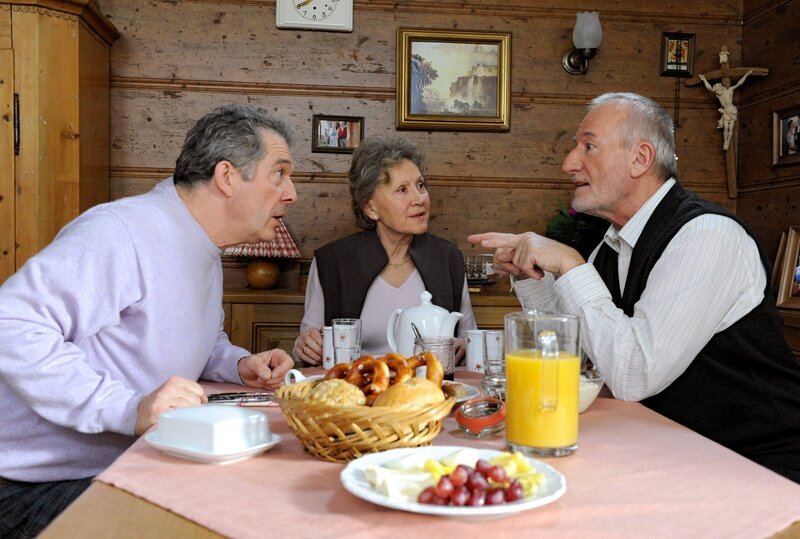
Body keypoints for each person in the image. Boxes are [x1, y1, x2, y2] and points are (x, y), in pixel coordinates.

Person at [469, 92, 800, 483]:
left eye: (588, 146)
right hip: (674, 452)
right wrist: (530, 277)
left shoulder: (707, 236)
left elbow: (631, 374)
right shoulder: (609, 247)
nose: (568, 164)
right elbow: (568, 357)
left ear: (640, 159)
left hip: (757, 468)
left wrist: (571, 265)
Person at [0, 104, 298, 535]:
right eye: (280, 173)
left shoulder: (204, 245)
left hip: (130, 461)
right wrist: (127, 408)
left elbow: (192, 337)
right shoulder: (122, 231)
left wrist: (236, 363)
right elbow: (11, 324)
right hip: (34, 484)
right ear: (228, 177)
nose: (291, 193)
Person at [294, 135, 476, 365]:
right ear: (370, 208)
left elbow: (469, 339)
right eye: (402, 190)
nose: (419, 199)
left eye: (420, 186)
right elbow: (307, 344)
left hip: (430, 392)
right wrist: (304, 346)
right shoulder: (332, 261)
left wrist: (463, 348)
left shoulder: (448, 258)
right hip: (358, 392)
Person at [699, 69, 753, 150]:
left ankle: (728, 141)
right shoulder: (719, 95)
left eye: (717, 91)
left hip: (732, 110)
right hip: (725, 112)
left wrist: (746, 75)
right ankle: (725, 142)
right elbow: (710, 88)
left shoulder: (729, 91)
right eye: (716, 92)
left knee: (730, 128)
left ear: (720, 89)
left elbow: (739, 83)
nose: (716, 93)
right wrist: (704, 80)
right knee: (726, 128)